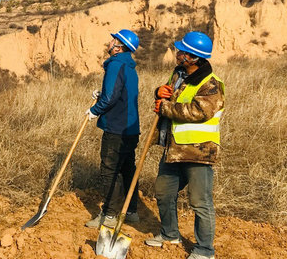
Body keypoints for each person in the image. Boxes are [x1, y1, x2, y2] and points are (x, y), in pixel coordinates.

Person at [145, 31, 225, 259]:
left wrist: (165, 108)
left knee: (200, 202)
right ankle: (170, 234)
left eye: (182, 51)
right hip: (174, 149)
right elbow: (169, 96)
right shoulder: (178, 74)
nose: (177, 53)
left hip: (198, 152)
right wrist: (159, 92)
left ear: (192, 57)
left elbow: (199, 111)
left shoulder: (211, 84)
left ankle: (204, 250)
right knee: (163, 192)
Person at [84, 29, 141, 229]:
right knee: (127, 169)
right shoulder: (129, 66)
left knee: (109, 171)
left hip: (116, 128)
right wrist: (102, 94)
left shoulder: (116, 64)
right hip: (131, 129)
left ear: (118, 47)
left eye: (113, 40)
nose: (110, 42)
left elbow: (111, 98)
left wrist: (94, 110)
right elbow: (120, 93)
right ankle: (130, 211)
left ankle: (109, 215)